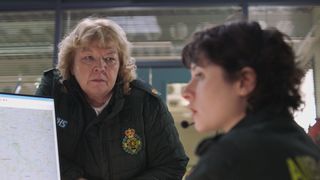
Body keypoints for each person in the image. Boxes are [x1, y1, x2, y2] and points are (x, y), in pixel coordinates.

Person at [36, 17, 188, 180]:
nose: (100, 67)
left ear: (120, 66)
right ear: (71, 66)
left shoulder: (146, 103)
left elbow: (172, 164)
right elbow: (34, 147)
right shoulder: (53, 93)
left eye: (109, 59)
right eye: (88, 58)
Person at [181, 21, 320, 179]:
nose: (186, 92)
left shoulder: (230, 158)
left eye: (200, 75)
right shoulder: (305, 147)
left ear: (244, 81)